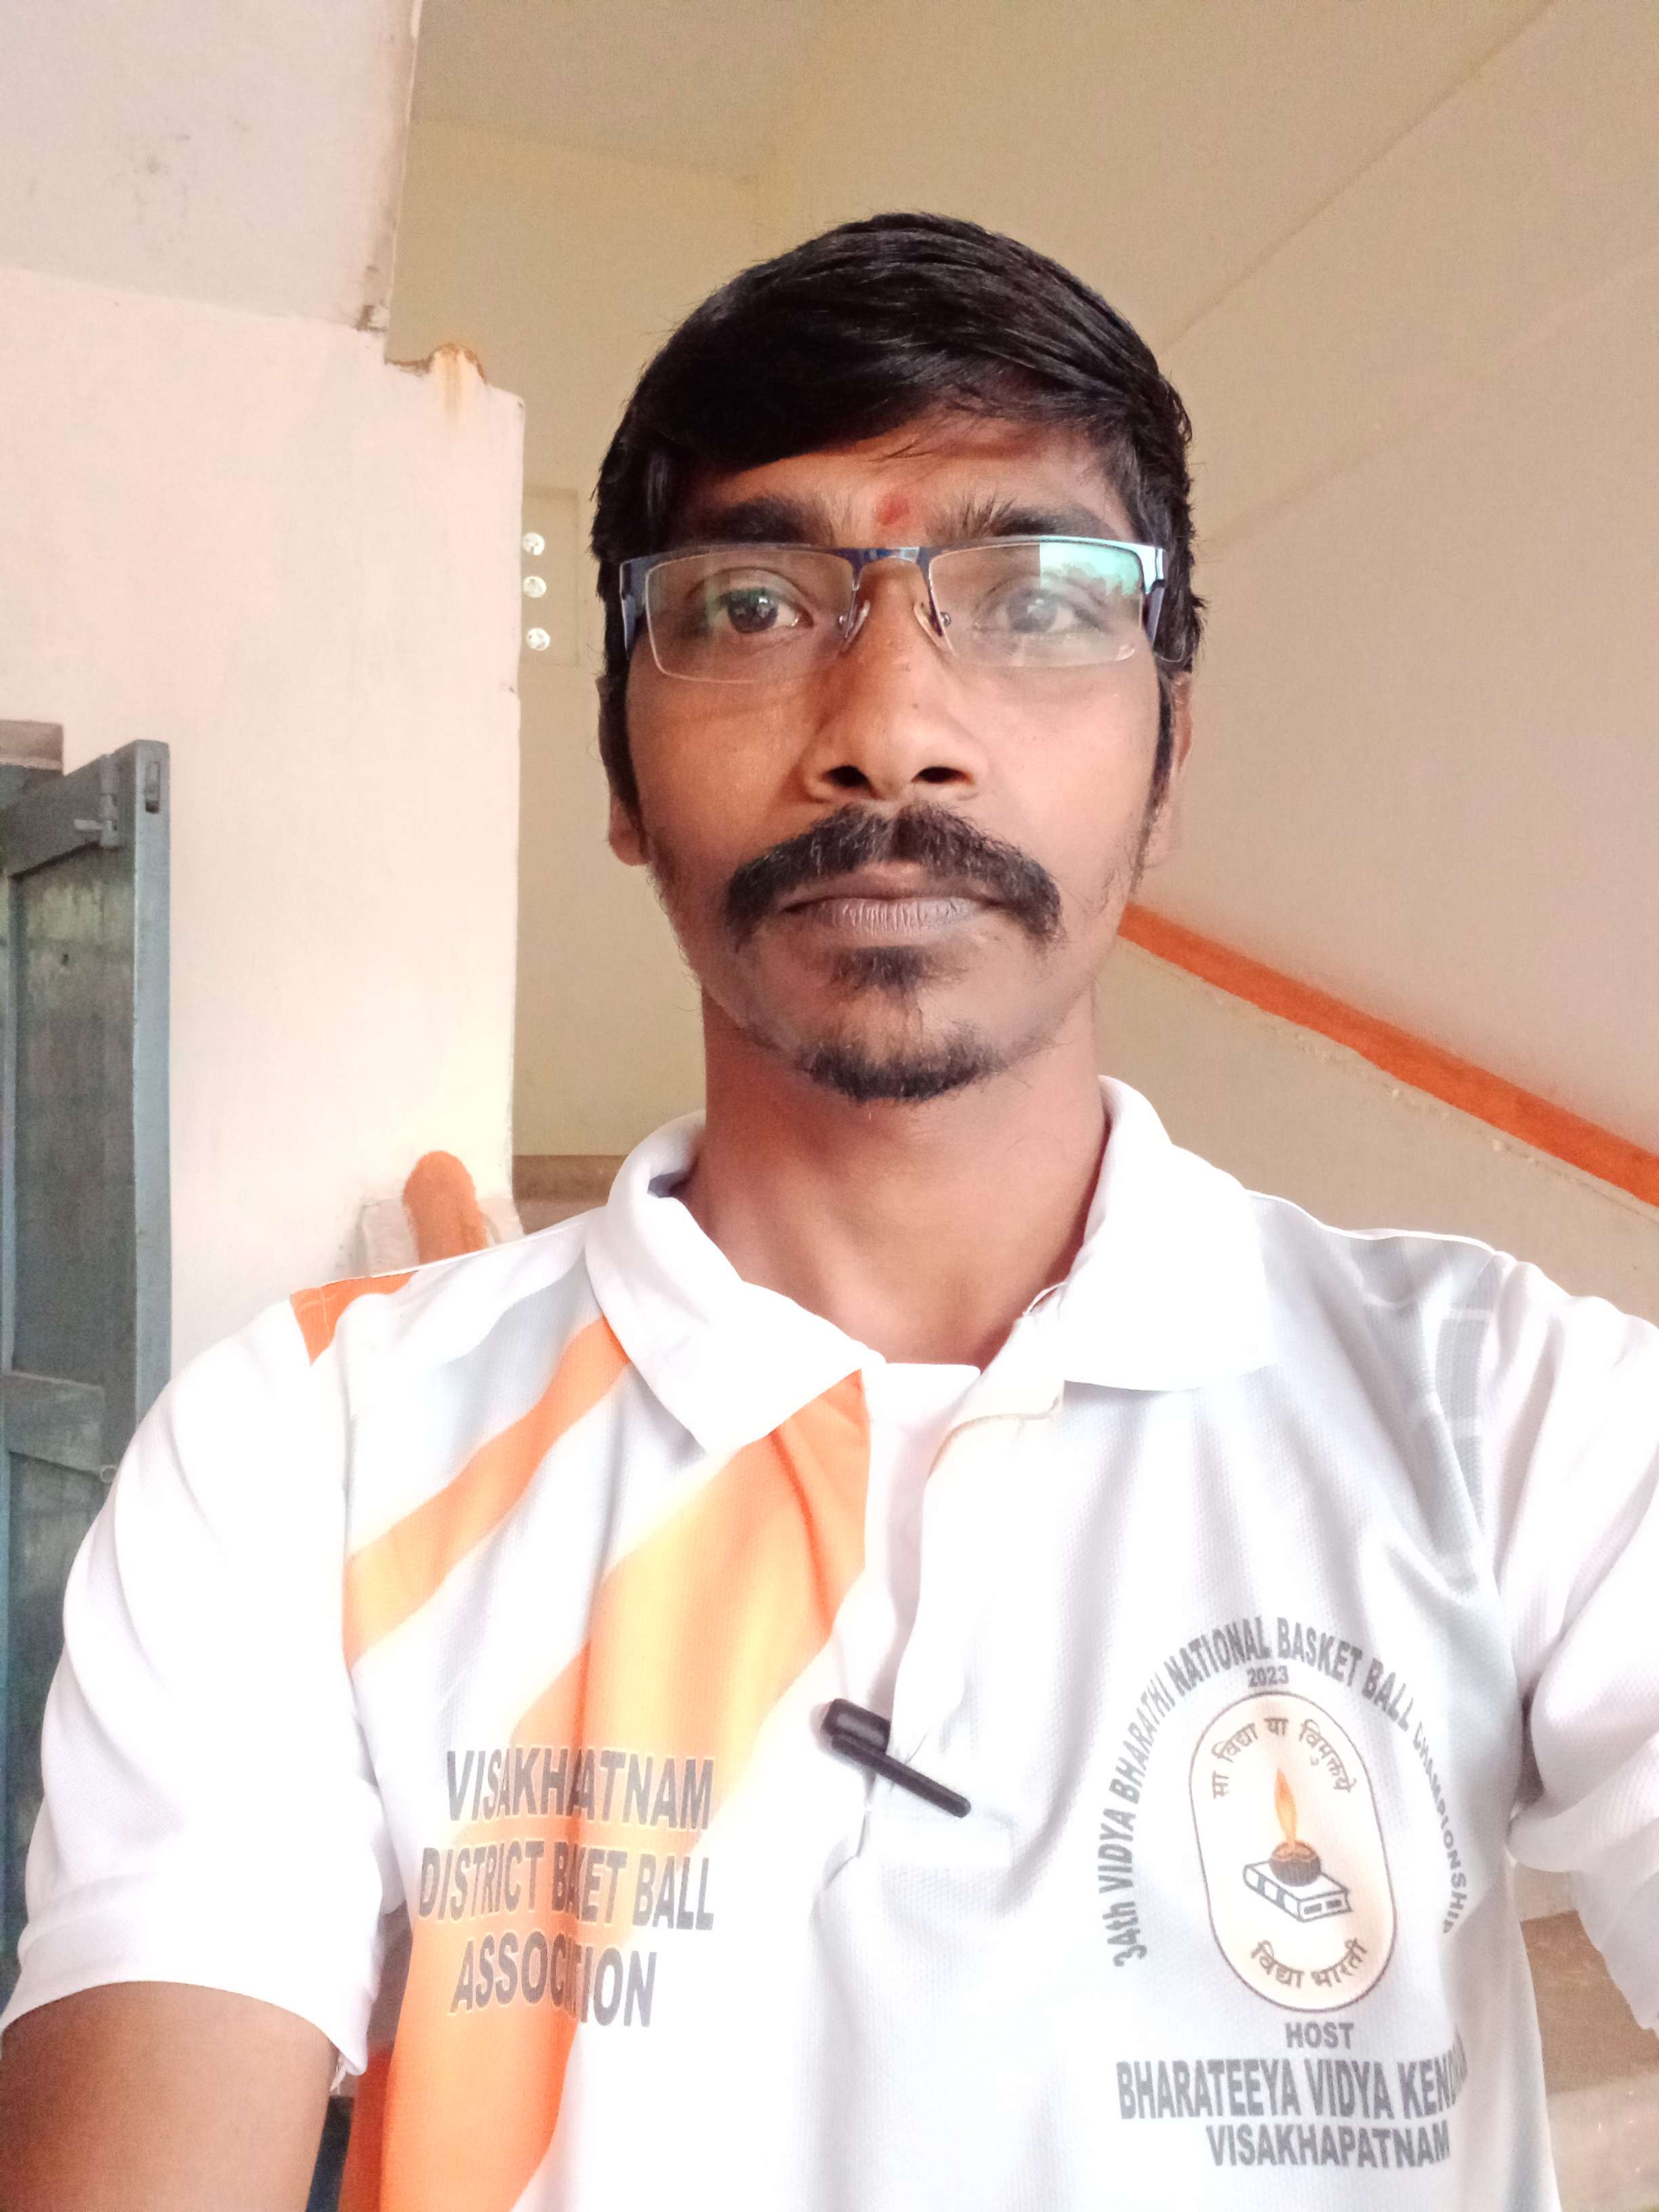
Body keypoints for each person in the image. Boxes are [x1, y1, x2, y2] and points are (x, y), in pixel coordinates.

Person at [0, 211, 1654, 2212]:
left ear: (1171, 756)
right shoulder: (303, 1457)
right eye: (755, 602)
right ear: (622, 772)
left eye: (1036, 597)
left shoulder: (1521, 1425)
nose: (891, 725)